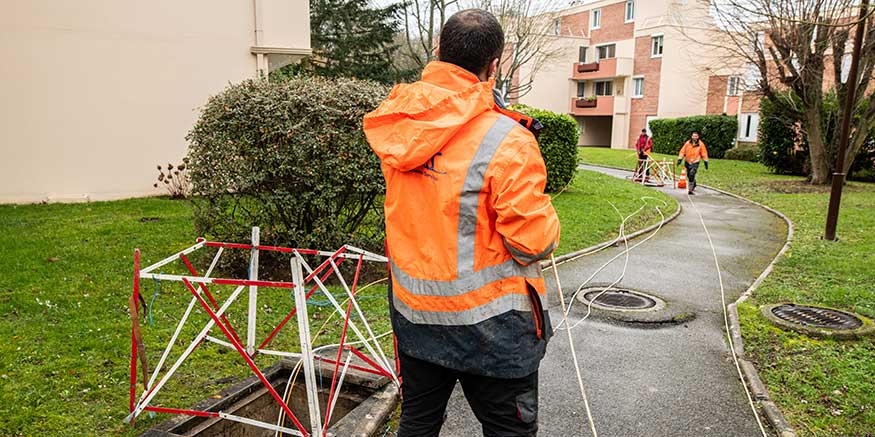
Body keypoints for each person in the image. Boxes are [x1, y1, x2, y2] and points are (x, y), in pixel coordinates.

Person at [363, 9, 560, 437]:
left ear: (436, 51)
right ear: (495, 65)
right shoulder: (510, 140)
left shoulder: (401, 124)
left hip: (415, 318)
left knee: (418, 422)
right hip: (494, 329)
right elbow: (532, 244)